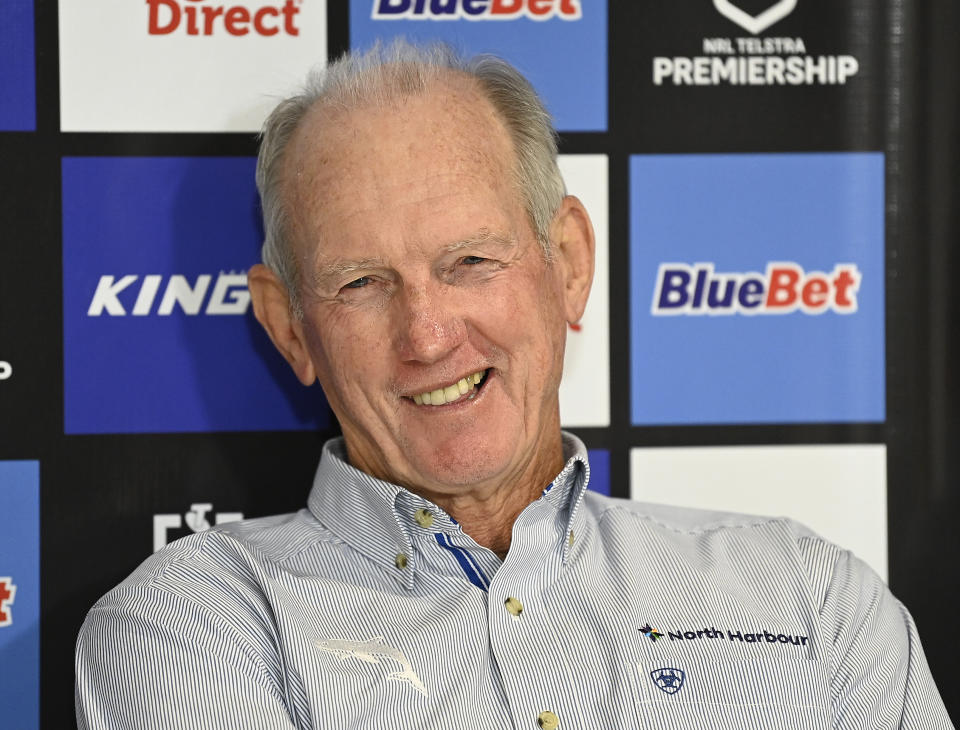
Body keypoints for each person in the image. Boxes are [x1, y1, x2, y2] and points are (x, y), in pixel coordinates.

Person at [75, 41, 952, 729]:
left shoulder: (807, 595)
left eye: (470, 261)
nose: (427, 334)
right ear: (289, 327)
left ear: (567, 264)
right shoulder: (193, 627)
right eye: (362, 284)